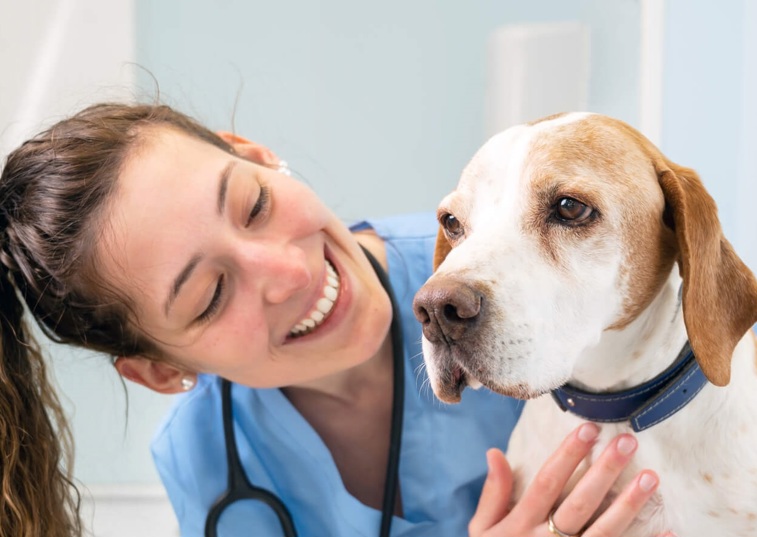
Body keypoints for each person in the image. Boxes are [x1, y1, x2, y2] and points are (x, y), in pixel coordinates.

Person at [0, 102, 668, 537]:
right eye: (210, 294)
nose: (290, 273)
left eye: (254, 204)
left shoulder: (510, 293)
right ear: (161, 368)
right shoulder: (205, 463)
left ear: (256, 153)